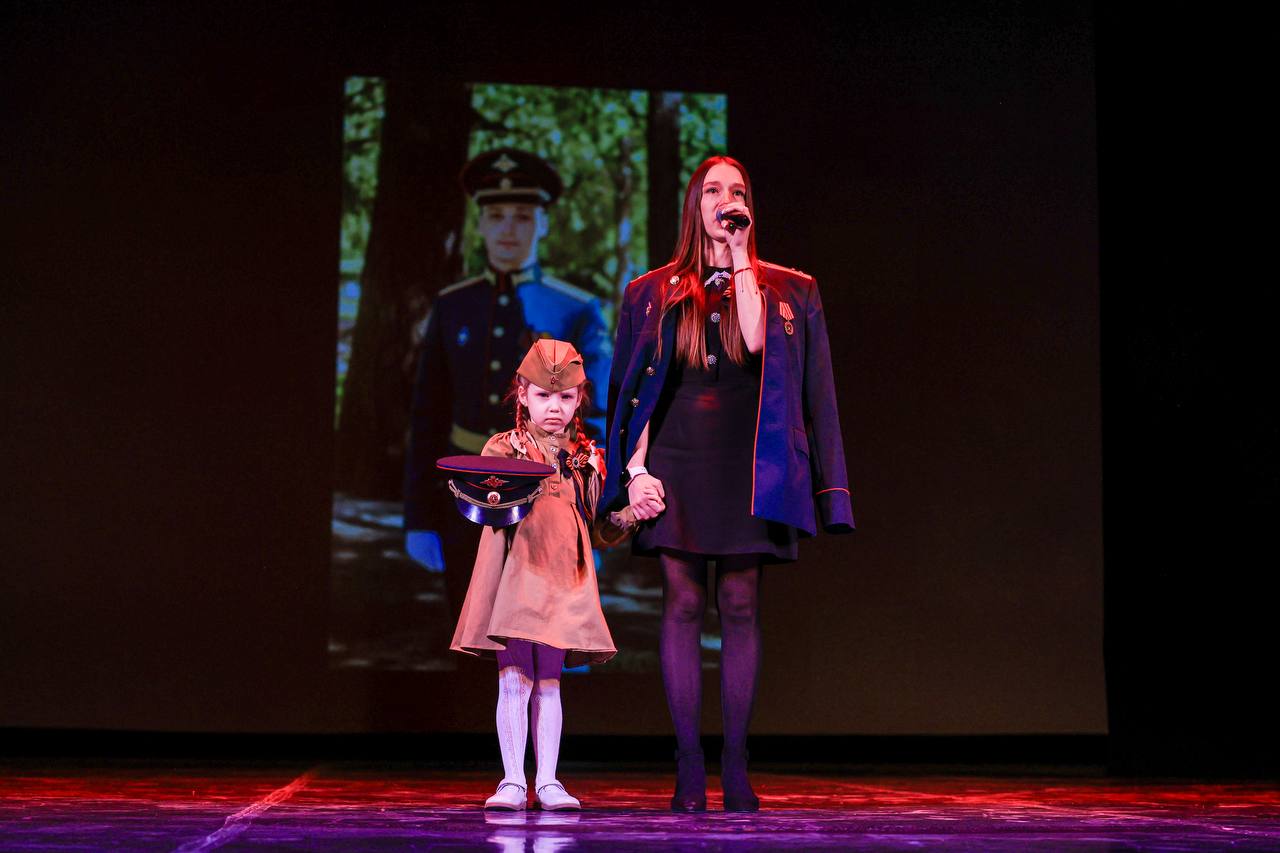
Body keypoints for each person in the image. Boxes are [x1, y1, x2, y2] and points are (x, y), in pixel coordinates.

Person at [599, 155, 855, 812]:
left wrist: (741, 255)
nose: (724, 199)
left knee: (740, 604)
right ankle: (689, 764)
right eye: (712, 189)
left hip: (752, 463)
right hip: (677, 461)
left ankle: (736, 762)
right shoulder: (649, 292)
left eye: (736, 191)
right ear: (694, 205)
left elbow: (772, 354)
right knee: (683, 604)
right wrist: (632, 473)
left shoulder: (791, 290)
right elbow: (629, 394)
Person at [403, 149, 612, 625]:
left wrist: (589, 518)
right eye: (496, 216)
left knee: (544, 641)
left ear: (544, 224)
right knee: (470, 635)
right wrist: (419, 518)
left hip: (547, 499)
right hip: (463, 498)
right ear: (480, 224)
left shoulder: (574, 310)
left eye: (522, 216)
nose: (508, 229)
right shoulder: (453, 306)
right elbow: (428, 415)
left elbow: (595, 419)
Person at [449, 339, 627, 811]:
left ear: (579, 398)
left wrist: (628, 514)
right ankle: (512, 780)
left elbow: (600, 525)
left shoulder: (586, 456)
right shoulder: (503, 448)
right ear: (523, 394)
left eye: (566, 397)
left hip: (562, 574)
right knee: (515, 675)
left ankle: (547, 780)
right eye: (544, 396)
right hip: (517, 569)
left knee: (549, 678)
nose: (555, 407)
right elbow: (485, 504)